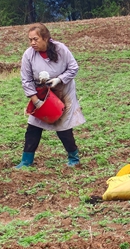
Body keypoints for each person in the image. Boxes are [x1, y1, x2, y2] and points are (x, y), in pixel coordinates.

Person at [14, 23, 86, 168]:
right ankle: (26, 161)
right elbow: (26, 80)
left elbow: (73, 68)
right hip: (41, 94)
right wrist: (37, 102)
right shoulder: (29, 55)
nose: (32, 43)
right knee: (33, 127)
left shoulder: (61, 49)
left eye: (36, 39)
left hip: (62, 92)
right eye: (30, 40)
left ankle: (74, 158)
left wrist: (59, 79)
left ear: (46, 38)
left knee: (63, 127)